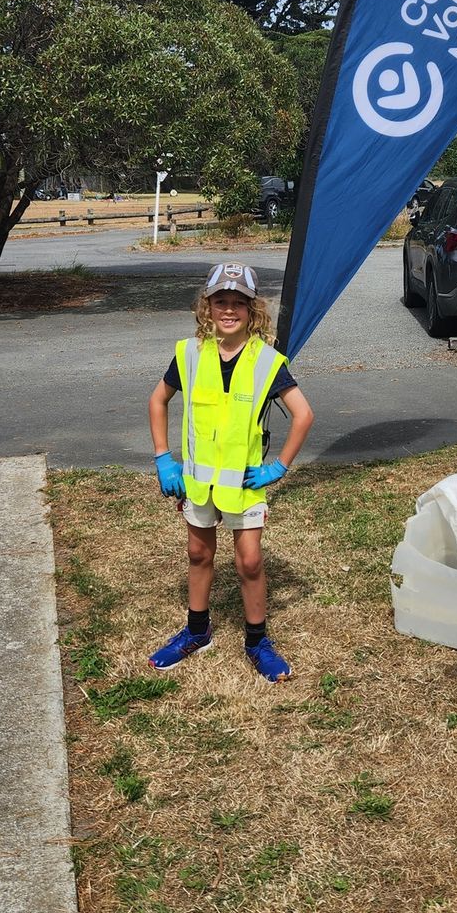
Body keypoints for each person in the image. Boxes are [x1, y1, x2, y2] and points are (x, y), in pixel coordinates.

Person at [147, 262, 314, 681]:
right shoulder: (189, 353)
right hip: (198, 484)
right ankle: (197, 631)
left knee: (250, 562)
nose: (228, 310)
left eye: (238, 303)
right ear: (207, 306)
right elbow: (157, 401)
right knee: (199, 554)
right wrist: (163, 458)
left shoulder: (268, 361)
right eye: (221, 301)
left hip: (244, 483)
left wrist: (278, 467)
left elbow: (304, 415)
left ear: (252, 310)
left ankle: (257, 641)